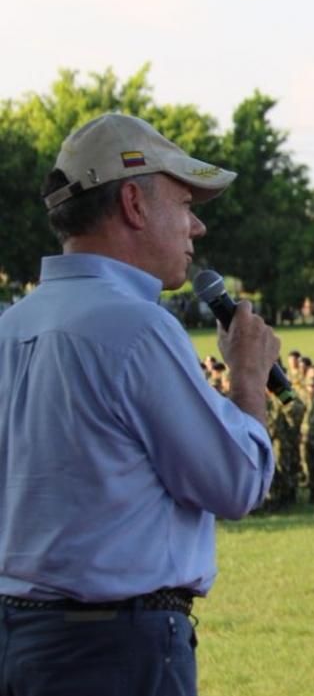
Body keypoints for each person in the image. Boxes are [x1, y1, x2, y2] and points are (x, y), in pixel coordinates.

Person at [0, 113, 278, 694]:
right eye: (183, 203)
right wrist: (249, 380)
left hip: (21, 640)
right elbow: (236, 482)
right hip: (113, 649)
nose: (196, 226)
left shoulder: (13, 325)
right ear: (133, 202)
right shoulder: (136, 326)